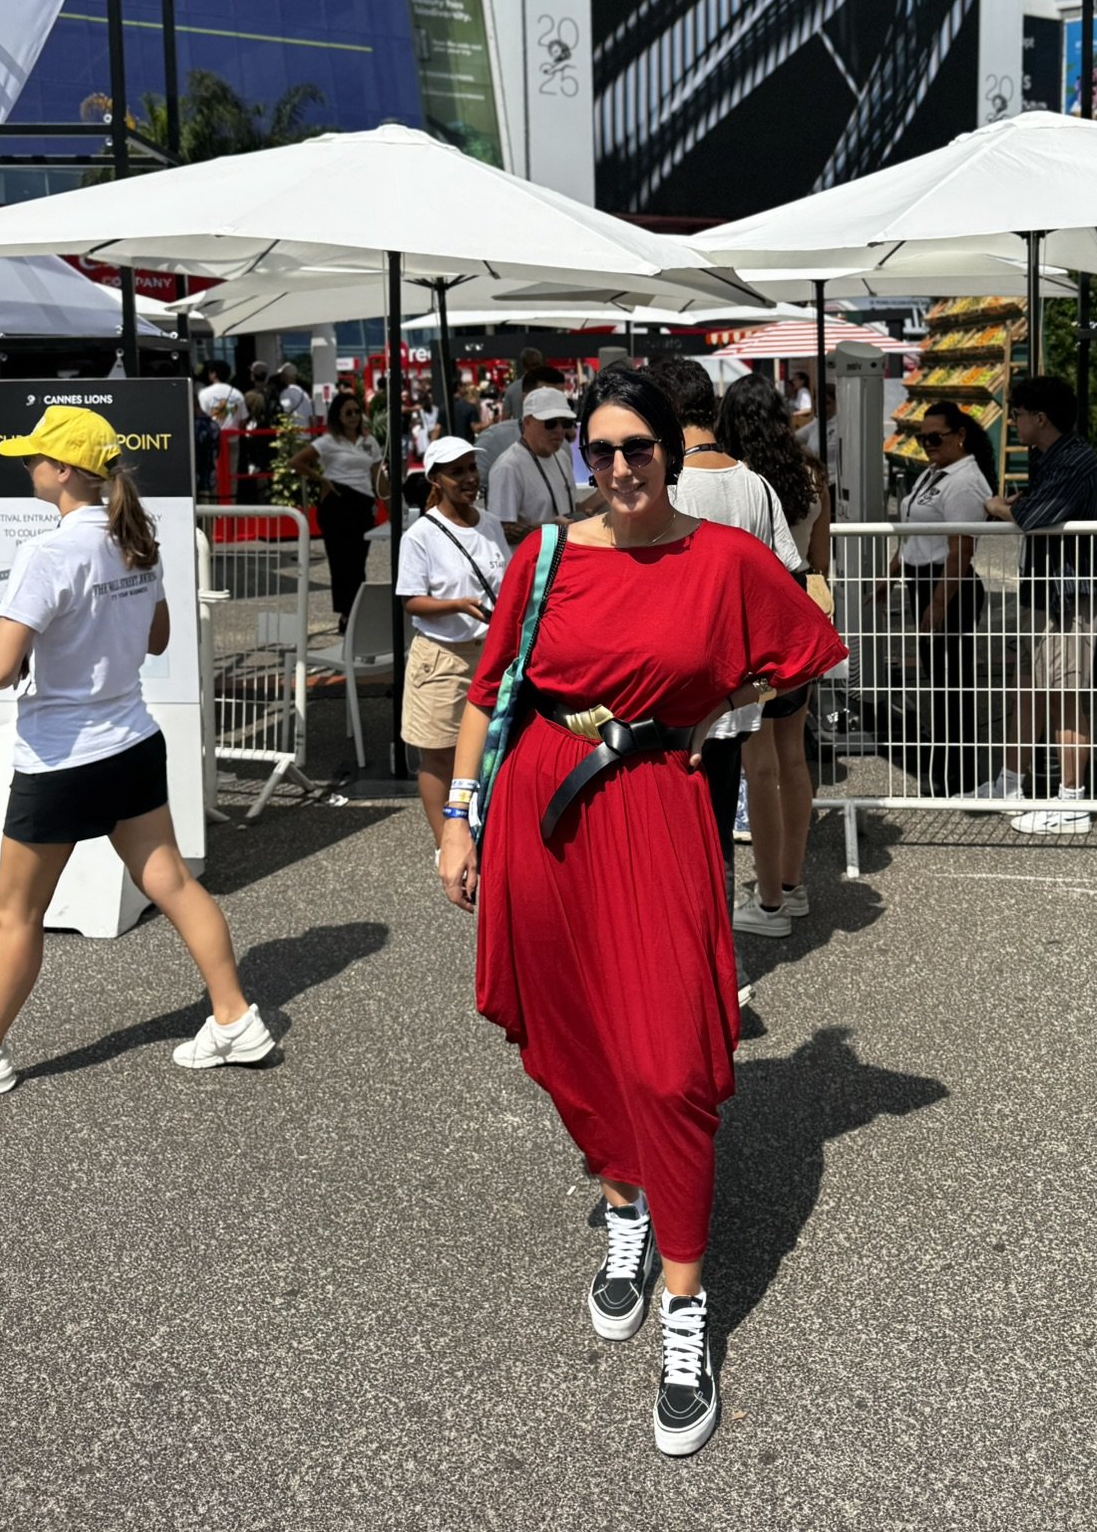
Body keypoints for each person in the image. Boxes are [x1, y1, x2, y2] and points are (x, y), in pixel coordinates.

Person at [438, 366, 845, 1456]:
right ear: (583, 456)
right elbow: (488, 694)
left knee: (668, 1058)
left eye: (639, 449)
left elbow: (808, 639)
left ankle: (685, 1304)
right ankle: (625, 1210)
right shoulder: (549, 554)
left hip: (660, 808)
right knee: (573, 1036)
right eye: (600, 450)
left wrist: (717, 702)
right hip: (542, 811)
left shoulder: (722, 557)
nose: (619, 467)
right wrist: (459, 818)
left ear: (674, 451)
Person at [0, 407, 273, 1110]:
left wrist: (29, 645)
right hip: (131, 741)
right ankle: (236, 1018)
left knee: (16, 913)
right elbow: (158, 639)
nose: (28, 467)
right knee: (171, 880)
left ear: (66, 472)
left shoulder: (47, 554)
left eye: (35, 458)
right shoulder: (137, 538)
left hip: (60, 758)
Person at [643, 358, 803, 937]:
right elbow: (788, 576)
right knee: (714, 828)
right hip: (737, 689)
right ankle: (716, 951)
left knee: (674, 838)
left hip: (672, 693)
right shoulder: (754, 484)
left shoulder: (668, 483)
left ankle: (694, 955)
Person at [716, 374, 829, 936]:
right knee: (793, 756)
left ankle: (767, 905)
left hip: (751, 625)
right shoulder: (811, 473)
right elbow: (819, 556)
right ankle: (792, 883)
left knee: (756, 764)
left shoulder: (737, 481)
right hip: (802, 615)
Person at [980, 373, 1097, 833]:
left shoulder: (1074, 459)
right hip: (1046, 591)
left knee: (1064, 693)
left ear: (1040, 417)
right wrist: (1016, 506)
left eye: (1016, 414)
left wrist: (999, 507)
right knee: (1029, 686)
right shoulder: (1050, 455)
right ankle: (1010, 783)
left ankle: (1072, 801)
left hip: (1070, 594)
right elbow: (1036, 509)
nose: (1012, 422)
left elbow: (1034, 517)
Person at [395, 438, 510, 843]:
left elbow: (507, 585)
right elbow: (411, 601)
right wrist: (457, 604)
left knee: (487, 752)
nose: (469, 478)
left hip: (490, 654)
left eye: (471, 469)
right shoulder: (420, 535)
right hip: (442, 658)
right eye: (457, 471)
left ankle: (481, 835)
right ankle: (448, 844)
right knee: (440, 757)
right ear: (436, 480)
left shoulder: (491, 524)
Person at [886, 401, 995, 796]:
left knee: (954, 685)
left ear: (960, 436)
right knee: (941, 683)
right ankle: (948, 766)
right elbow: (916, 531)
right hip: (925, 580)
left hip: (949, 584)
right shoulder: (933, 473)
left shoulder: (963, 480)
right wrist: (892, 575)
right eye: (923, 438)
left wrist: (937, 603)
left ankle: (960, 773)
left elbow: (960, 551)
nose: (928, 445)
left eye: (936, 437)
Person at [290, 390, 388, 632]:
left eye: (357, 411)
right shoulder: (327, 442)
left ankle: (355, 613)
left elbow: (378, 476)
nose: (354, 417)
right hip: (337, 501)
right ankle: (347, 614)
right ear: (338, 416)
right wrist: (321, 479)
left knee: (358, 562)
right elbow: (296, 461)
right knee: (340, 563)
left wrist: (392, 504)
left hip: (363, 503)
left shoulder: (369, 442)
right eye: (348, 413)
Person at [487, 387, 579, 542]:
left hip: (565, 558)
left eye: (565, 423)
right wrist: (551, 528)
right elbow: (500, 528)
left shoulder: (561, 456)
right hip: (534, 563)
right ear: (527, 422)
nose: (559, 430)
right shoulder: (508, 467)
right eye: (550, 423)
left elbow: (566, 509)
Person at [475, 364, 564, 488]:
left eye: (561, 399)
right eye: (546, 399)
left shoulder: (562, 447)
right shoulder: (492, 442)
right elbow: (477, 496)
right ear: (526, 399)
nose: (556, 406)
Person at [501, 345, 548, 418]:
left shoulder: (512, 389)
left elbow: (505, 419)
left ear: (523, 365)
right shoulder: (549, 387)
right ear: (541, 364)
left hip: (519, 428)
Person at [198, 361, 245, 432]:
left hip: (212, 439)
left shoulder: (203, 393)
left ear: (214, 374)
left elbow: (202, 418)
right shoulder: (237, 394)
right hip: (233, 439)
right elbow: (243, 420)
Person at [275, 361, 315, 427]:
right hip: (307, 434)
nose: (280, 377)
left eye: (281, 374)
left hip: (294, 435)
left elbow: (285, 415)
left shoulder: (286, 393)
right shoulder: (304, 393)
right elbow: (311, 417)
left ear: (285, 376)